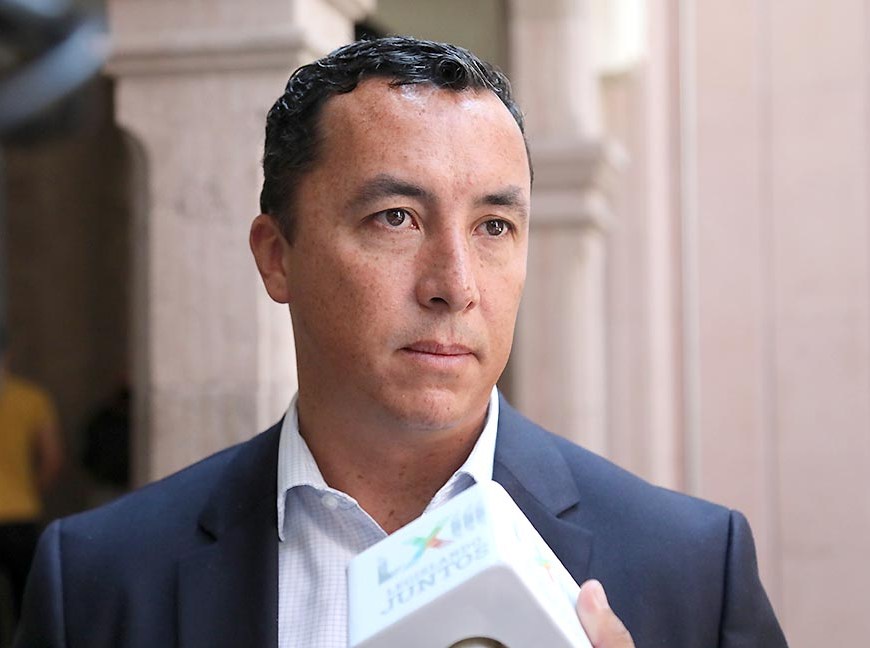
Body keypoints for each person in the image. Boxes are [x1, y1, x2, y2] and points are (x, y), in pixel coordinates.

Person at [15, 37, 787, 648]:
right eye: (396, 219)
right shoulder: (98, 580)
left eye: (494, 226)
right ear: (277, 256)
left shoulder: (691, 569)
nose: (455, 284)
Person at [0, 331, 62, 636]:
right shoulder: (31, 397)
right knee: (25, 605)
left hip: (20, 512)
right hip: (21, 513)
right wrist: (32, 490)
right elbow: (52, 458)